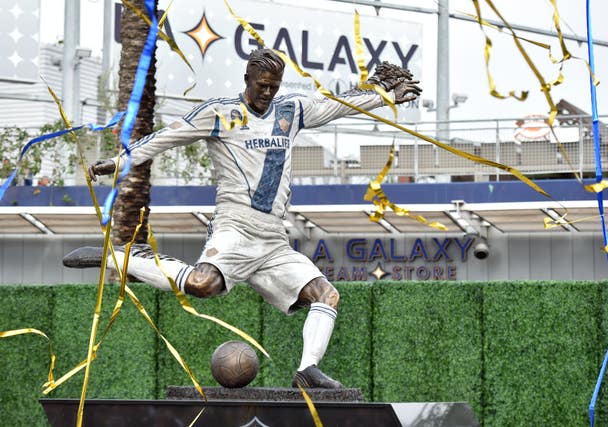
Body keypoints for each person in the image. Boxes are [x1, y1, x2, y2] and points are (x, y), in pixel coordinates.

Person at [63, 49, 421, 388]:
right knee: (203, 286)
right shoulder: (220, 113)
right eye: (261, 84)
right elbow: (167, 137)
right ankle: (123, 255)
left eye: (274, 86)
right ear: (247, 77)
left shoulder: (291, 110)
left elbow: (336, 106)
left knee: (326, 295)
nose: (267, 91)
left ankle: (307, 370)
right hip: (234, 225)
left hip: (273, 239)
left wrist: (384, 95)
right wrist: (120, 163)